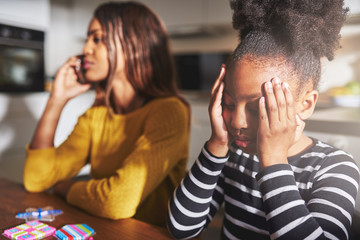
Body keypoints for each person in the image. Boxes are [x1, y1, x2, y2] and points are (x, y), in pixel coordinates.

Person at [167, 0, 360, 239]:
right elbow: (181, 228)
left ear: (306, 104)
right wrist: (216, 145)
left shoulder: (334, 167)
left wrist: (274, 159)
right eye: (228, 103)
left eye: (257, 106)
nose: (237, 122)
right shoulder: (234, 155)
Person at [23, 1, 190, 227]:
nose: (85, 49)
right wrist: (57, 100)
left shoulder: (169, 111)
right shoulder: (97, 115)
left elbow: (117, 202)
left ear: (133, 43)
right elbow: (37, 179)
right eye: (88, 39)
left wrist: (65, 187)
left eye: (97, 38)